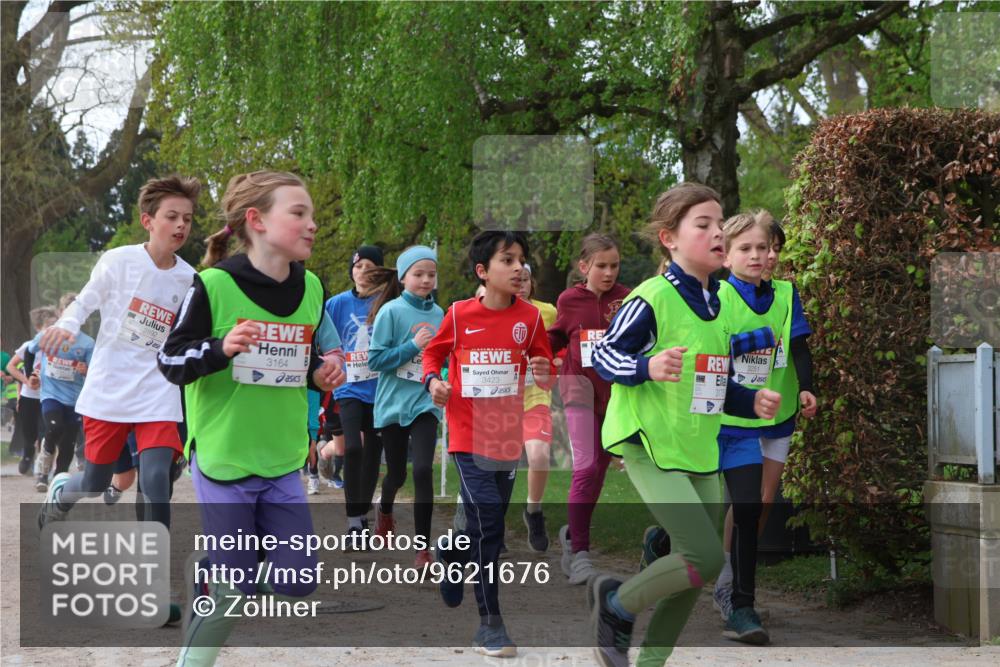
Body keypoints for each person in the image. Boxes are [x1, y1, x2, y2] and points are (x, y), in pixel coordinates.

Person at [589, 183, 782, 667]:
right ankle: (615, 603)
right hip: (648, 443)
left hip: (697, 447)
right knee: (705, 557)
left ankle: (650, 662)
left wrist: (749, 398)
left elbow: (710, 384)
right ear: (669, 239)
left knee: (693, 573)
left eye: (720, 223)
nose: (718, 232)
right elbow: (605, 354)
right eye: (703, 224)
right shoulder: (652, 295)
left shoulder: (718, 304)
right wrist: (647, 367)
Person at [157, 170, 345, 667]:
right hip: (224, 458)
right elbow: (171, 361)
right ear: (256, 221)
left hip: (282, 456)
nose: (313, 225)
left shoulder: (312, 289)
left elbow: (294, 363)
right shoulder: (213, 284)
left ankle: (215, 571)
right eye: (299, 213)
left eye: (312, 215)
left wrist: (319, 375)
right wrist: (220, 348)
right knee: (234, 588)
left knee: (298, 582)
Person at [36, 175, 201, 535]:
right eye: (172, 217)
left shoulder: (189, 279)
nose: (180, 226)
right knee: (96, 482)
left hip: (158, 388)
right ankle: (62, 495)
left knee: (157, 478)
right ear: (148, 221)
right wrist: (68, 324)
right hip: (110, 385)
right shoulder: (118, 260)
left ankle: (152, 567)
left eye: (187, 219)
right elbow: (87, 298)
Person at [422, 230, 555, 658]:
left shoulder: (531, 319)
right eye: (508, 260)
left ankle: (451, 553)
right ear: (483, 271)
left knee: (483, 529)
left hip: (507, 436)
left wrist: (541, 367)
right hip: (466, 436)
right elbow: (433, 355)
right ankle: (489, 625)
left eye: (522, 261)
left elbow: (546, 371)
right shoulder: (459, 314)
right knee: (492, 523)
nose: (519, 268)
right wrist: (434, 382)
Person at [709, 211, 790, 644]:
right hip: (703, 423)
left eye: (763, 247)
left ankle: (741, 606)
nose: (757, 255)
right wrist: (751, 341)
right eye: (745, 248)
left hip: (743, 426)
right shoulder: (712, 297)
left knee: (748, 508)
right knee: (693, 519)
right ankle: (660, 544)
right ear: (725, 256)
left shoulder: (780, 297)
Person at [546, 233, 631, 582]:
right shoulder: (569, 299)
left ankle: (571, 535)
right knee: (585, 468)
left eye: (614, 265)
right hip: (578, 390)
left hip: (615, 396)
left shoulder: (626, 299)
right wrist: (539, 353)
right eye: (601, 266)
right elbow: (557, 335)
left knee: (598, 470)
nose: (608, 273)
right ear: (584, 267)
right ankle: (580, 552)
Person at [367, 245, 443, 567]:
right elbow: (375, 360)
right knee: (397, 474)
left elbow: (442, 357)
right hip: (393, 403)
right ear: (403, 277)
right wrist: (413, 345)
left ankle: (423, 550)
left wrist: (443, 379)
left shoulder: (440, 315)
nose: (426, 280)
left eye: (431, 274)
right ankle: (384, 510)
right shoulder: (391, 312)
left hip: (425, 402)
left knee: (424, 469)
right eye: (418, 274)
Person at [325, 244, 385, 538]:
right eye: (359, 266)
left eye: (371, 267)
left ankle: (362, 513)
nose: (363, 272)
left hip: (380, 389)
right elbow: (324, 341)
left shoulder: (388, 305)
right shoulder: (336, 305)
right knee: (352, 447)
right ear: (352, 270)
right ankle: (352, 521)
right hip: (348, 387)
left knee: (373, 454)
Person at [28, 292, 94, 491]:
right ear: (61, 312)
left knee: (67, 445)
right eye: (68, 310)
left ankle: (57, 481)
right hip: (51, 394)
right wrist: (31, 374)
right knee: (54, 428)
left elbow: (94, 372)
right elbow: (29, 351)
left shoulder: (87, 343)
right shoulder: (49, 333)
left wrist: (86, 370)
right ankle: (42, 473)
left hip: (74, 399)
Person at [512, 263, 558, 553]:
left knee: (539, 456)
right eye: (515, 279)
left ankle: (534, 511)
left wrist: (558, 361)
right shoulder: (492, 310)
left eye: (525, 279)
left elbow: (558, 345)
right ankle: (491, 529)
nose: (520, 284)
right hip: (500, 399)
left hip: (536, 397)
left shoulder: (548, 312)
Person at [7, 307, 58, 474]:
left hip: (48, 396)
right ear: (38, 328)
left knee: (46, 432)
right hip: (29, 396)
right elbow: (11, 366)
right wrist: (26, 381)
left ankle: (43, 467)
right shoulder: (29, 346)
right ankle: (28, 455)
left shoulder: (60, 347)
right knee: (30, 433)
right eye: (47, 327)